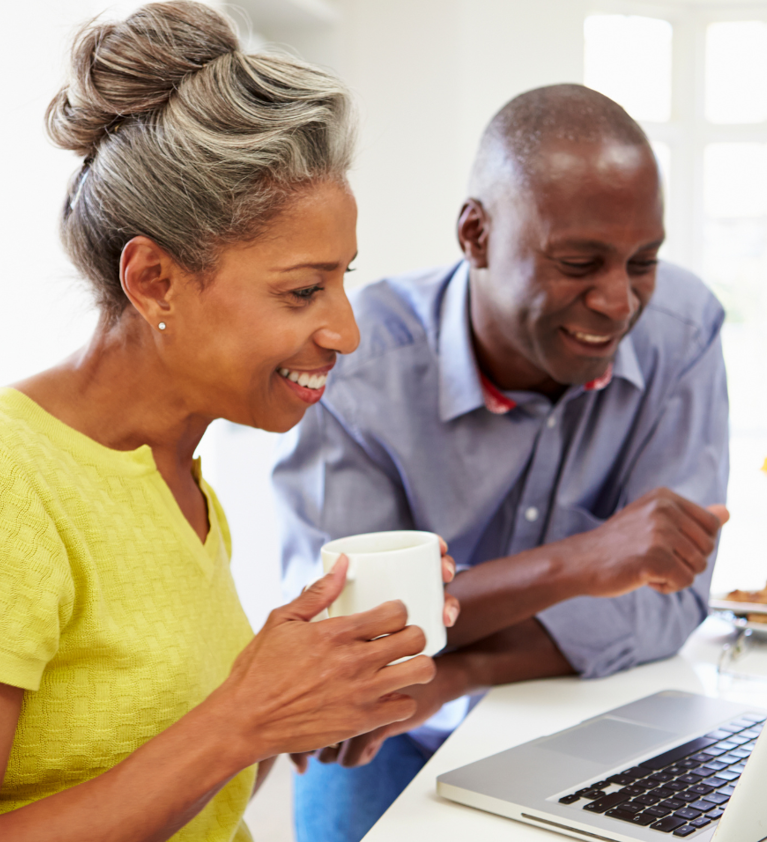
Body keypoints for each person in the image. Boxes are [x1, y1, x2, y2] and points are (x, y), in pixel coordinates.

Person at [0, 4, 454, 841]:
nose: (346, 332)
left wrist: (308, 704)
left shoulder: (177, 480)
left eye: (344, 280)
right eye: (302, 290)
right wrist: (243, 718)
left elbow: (173, 785)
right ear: (155, 280)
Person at [273, 83, 732, 842]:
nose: (619, 302)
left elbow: (667, 603)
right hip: (386, 733)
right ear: (476, 235)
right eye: (580, 261)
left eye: (642, 261)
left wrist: (458, 670)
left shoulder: (682, 332)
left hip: (585, 726)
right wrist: (585, 563)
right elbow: (346, 642)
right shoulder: (360, 367)